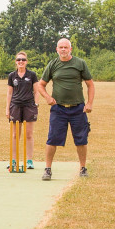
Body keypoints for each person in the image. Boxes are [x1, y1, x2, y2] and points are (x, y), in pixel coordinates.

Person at [38, 38, 95, 180]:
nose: (63, 49)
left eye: (66, 47)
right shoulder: (53, 64)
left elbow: (90, 84)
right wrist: (47, 97)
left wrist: (89, 103)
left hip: (78, 108)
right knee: (52, 139)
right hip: (59, 109)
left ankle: (82, 168)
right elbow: (41, 85)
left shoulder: (80, 63)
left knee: (81, 139)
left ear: (70, 49)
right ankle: (48, 169)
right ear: (56, 49)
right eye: (60, 47)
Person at [6, 51, 39, 170]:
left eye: (23, 60)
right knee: (15, 134)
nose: (21, 62)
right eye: (19, 59)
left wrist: (36, 104)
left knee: (29, 134)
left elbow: (36, 91)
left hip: (29, 105)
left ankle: (29, 160)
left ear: (26, 62)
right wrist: (7, 109)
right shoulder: (12, 76)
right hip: (15, 105)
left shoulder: (32, 75)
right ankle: (14, 160)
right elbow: (9, 93)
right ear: (16, 61)